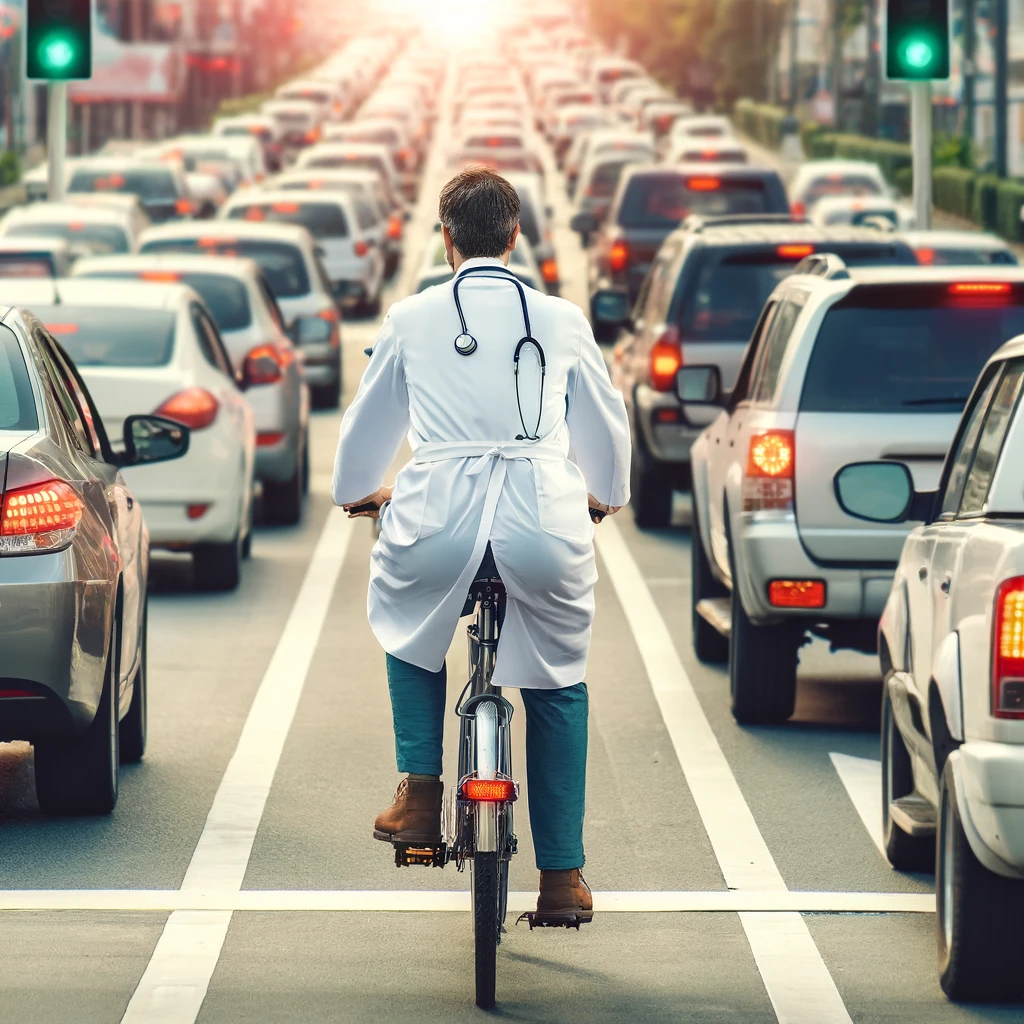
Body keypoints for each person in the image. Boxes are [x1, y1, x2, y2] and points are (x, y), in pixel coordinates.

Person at [332, 166, 631, 923]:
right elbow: (607, 435)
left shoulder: (412, 317)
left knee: (408, 621)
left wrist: (359, 492)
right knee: (559, 678)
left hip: (437, 516)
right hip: (543, 520)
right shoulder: (560, 319)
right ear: (515, 235)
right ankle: (562, 878)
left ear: (446, 240)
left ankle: (422, 796)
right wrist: (603, 496)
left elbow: (364, 439)